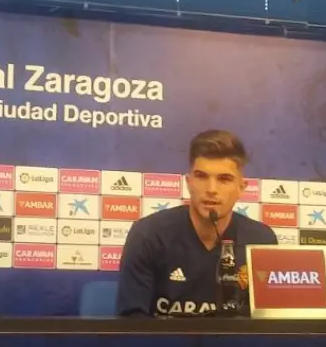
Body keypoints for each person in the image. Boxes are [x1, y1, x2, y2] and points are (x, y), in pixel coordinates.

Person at [116, 129, 276, 317]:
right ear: (189, 182)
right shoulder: (148, 234)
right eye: (201, 176)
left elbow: (269, 323)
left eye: (224, 179)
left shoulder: (261, 240)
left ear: (241, 188)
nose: (211, 189)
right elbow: (132, 322)